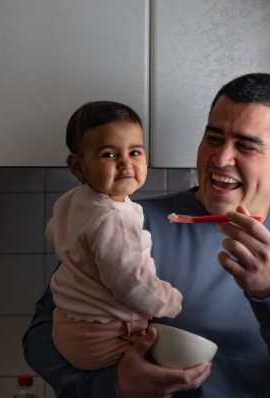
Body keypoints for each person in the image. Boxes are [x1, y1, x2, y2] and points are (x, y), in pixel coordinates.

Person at [23, 73, 270, 397]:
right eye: (213, 139)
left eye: (246, 146)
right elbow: (41, 337)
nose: (221, 158)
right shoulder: (123, 223)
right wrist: (114, 387)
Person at [48, 101, 182, 371]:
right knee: (166, 373)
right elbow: (131, 283)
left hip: (67, 325)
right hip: (106, 337)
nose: (125, 164)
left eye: (134, 152)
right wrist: (170, 301)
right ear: (77, 166)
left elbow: (54, 234)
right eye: (109, 155)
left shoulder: (72, 200)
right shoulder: (114, 219)